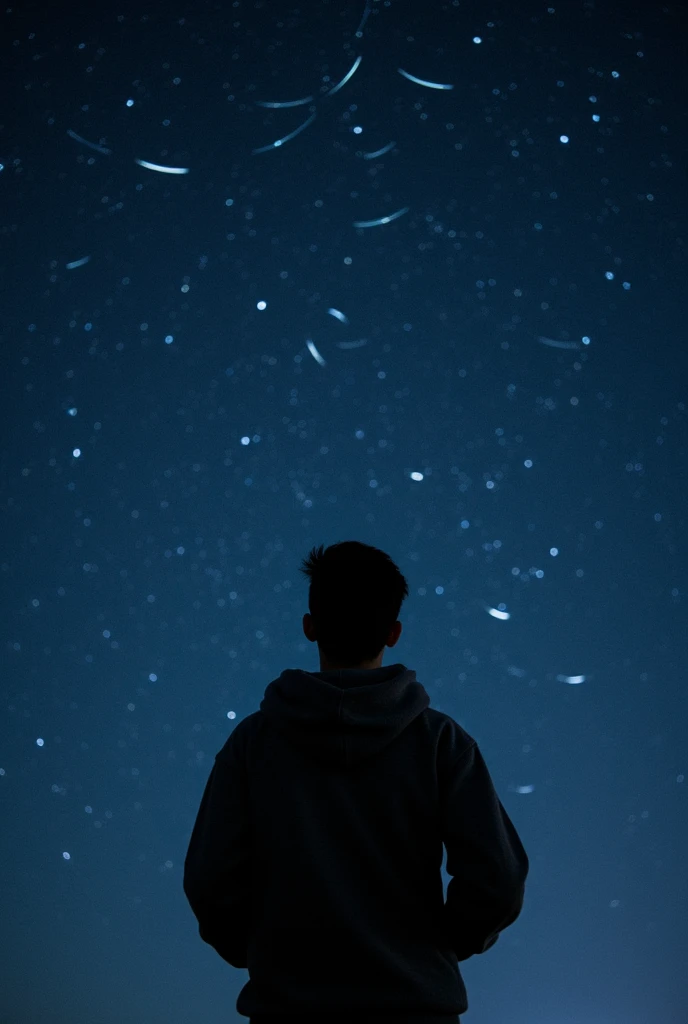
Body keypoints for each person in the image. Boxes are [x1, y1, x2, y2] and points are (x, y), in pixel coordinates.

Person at [184, 541, 529, 1023]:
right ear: (393, 632)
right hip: (416, 1009)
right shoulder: (441, 743)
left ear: (310, 626)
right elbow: (499, 879)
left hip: (288, 1009)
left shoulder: (253, 744)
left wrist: (264, 952)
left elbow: (209, 878)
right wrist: (438, 948)